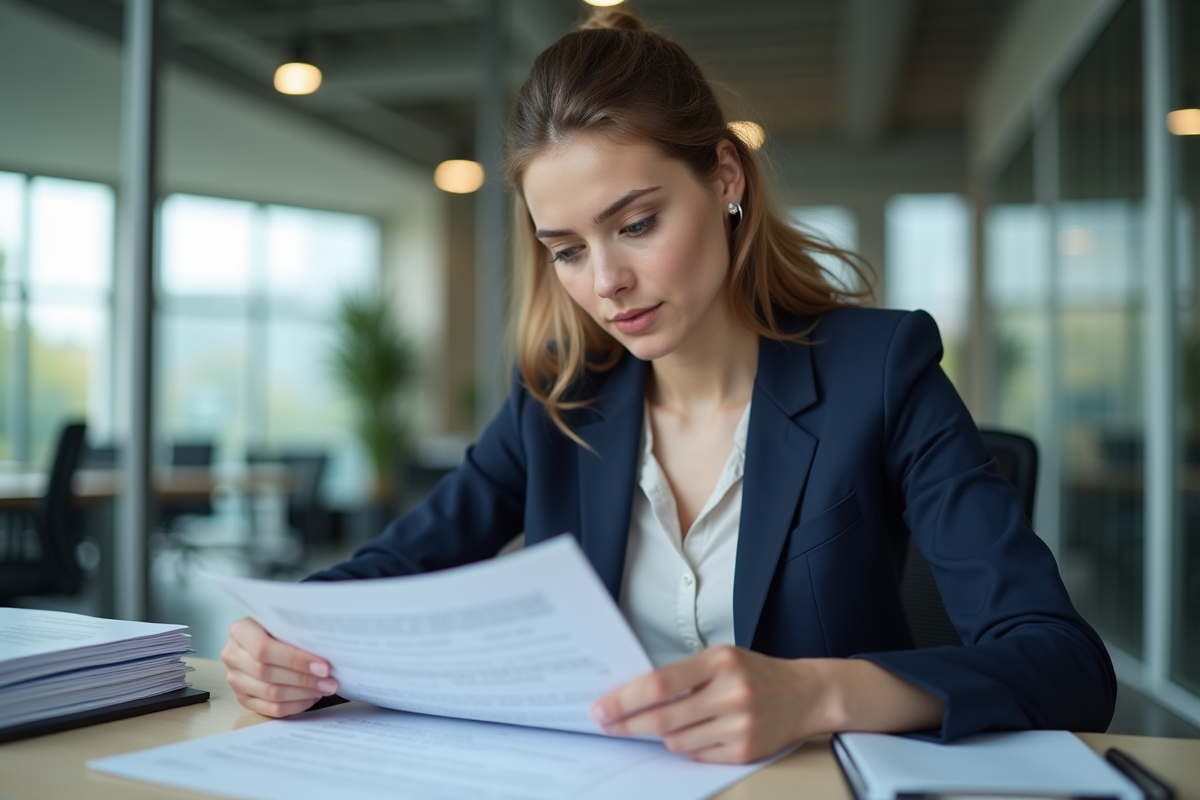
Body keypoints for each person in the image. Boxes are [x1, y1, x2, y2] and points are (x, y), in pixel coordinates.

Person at [222, 9, 1116, 764]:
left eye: (637, 223)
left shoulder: (878, 372)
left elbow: (1063, 663)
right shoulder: (558, 396)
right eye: (567, 249)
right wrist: (286, 635)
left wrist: (819, 693)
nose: (604, 281)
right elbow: (397, 565)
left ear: (725, 178)